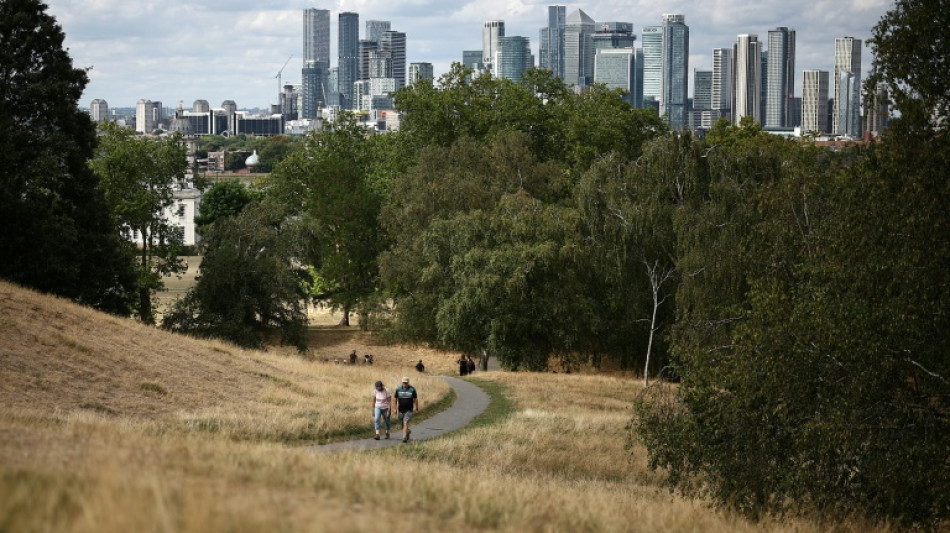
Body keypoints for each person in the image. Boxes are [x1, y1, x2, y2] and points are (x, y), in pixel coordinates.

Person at [394, 377, 419, 443]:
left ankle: (404, 437)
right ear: (402, 382)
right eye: (403, 382)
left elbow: (415, 399)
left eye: (406, 382)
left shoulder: (412, 389)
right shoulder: (398, 389)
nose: (404, 384)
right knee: (402, 424)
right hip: (400, 409)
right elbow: (395, 399)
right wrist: (395, 408)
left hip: (409, 409)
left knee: (405, 422)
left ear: (408, 382)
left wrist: (416, 408)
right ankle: (407, 431)